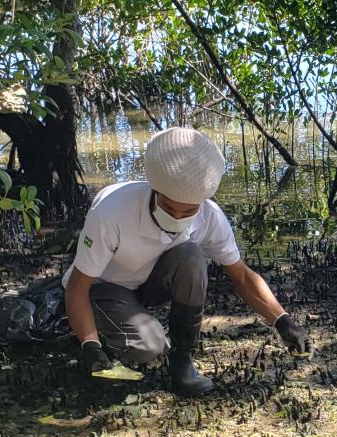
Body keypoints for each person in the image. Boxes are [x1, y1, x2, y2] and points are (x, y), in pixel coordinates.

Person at [63, 127, 313, 397]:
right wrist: (90, 344)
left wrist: (282, 321)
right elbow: (78, 286)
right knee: (149, 347)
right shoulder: (112, 212)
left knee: (191, 256)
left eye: (189, 210)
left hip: (146, 285)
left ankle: (182, 362)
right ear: (155, 191)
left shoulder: (210, 216)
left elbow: (240, 275)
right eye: (169, 208)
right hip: (102, 289)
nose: (178, 216)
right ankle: (90, 332)